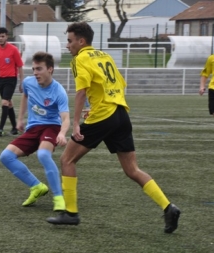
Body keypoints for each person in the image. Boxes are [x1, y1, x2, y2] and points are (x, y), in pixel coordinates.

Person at [46, 22, 181, 234]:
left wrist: (75, 123)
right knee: (132, 169)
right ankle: (168, 207)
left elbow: (82, 92)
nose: (67, 45)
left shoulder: (79, 58)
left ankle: (70, 214)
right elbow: (118, 85)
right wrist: (101, 108)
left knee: (67, 160)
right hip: (120, 114)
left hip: (104, 116)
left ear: (81, 42)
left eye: (70, 41)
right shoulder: (105, 56)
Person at [0, 51, 70, 213]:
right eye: (33, 69)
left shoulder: (59, 91)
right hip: (33, 128)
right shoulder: (28, 83)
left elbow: (65, 118)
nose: (35, 73)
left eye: (39, 69)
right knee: (6, 156)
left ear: (50, 69)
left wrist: (61, 133)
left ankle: (58, 197)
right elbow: (25, 96)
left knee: (43, 155)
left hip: (51, 127)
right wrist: (20, 119)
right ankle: (37, 187)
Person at [0, 27, 24, 137]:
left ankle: (0, 128)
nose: (0, 38)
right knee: (9, 104)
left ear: (6, 37)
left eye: (2, 36)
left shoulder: (13, 49)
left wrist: (21, 82)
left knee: (4, 102)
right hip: (1, 79)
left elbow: (20, 66)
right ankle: (15, 128)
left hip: (11, 79)